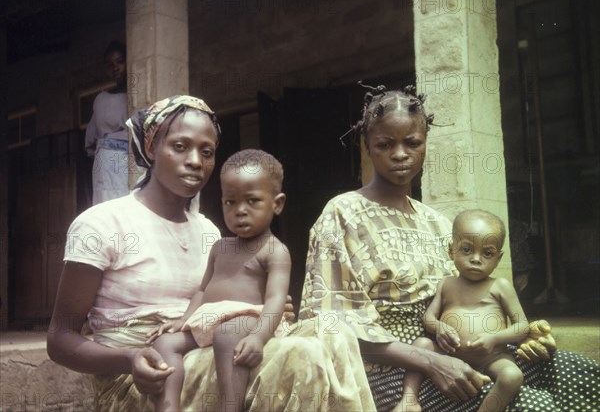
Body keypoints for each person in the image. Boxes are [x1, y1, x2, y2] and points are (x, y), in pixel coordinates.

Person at [47, 95, 376, 412]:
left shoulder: (208, 231)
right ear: (151, 147)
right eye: (180, 146)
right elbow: (60, 339)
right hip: (144, 376)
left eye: (207, 152)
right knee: (296, 357)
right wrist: (130, 357)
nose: (195, 161)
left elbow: (220, 302)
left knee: (335, 333)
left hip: (206, 341)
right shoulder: (102, 223)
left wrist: (265, 309)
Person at [299, 83, 599, 411]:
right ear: (367, 146)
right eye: (385, 144)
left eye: (412, 143)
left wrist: (518, 337)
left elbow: (469, 294)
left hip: (460, 350)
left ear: (425, 144)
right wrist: (431, 362)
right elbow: (331, 324)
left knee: (579, 375)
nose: (400, 154)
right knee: (533, 405)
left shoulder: (438, 223)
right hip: (388, 370)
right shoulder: (341, 214)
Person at [146, 149, 291, 412]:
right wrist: (184, 321)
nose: (240, 211)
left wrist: (258, 337)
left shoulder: (274, 250)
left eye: (252, 201)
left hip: (250, 318)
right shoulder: (219, 247)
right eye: (230, 203)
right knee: (164, 343)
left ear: (277, 204)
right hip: (210, 319)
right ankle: (168, 407)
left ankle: (230, 407)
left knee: (227, 334)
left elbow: (275, 300)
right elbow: (203, 290)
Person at [399, 210, 528, 412]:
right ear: (452, 251)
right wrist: (439, 327)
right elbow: (429, 318)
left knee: (513, 376)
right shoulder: (447, 284)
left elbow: (522, 326)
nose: (476, 259)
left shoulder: (500, 286)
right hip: (449, 355)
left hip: (491, 358)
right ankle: (409, 400)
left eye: (487, 253)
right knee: (420, 344)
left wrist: (494, 338)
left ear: (498, 257)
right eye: (467, 250)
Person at [84, 40, 129, 204]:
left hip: (131, 161)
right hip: (105, 163)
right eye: (110, 65)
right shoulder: (101, 100)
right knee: (109, 213)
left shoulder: (138, 97)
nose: (115, 68)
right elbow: (90, 141)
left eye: (120, 61)